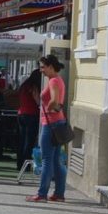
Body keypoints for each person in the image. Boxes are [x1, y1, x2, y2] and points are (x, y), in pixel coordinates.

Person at [27, 55, 68, 202]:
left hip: (50, 124)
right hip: (58, 123)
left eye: (43, 67)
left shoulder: (53, 81)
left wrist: (49, 108)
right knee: (57, 160)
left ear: (51, 67)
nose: (41, 70)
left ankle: (42, 194)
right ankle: (59, 193)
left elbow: (54, 100)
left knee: (46, 160)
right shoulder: (59, 80)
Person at [16, 69, 41, 171]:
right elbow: (37, 100)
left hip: (21, 113)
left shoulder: (24, 85)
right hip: (32, 114)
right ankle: (26, 165)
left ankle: (19, 163)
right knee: (29, 141)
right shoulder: (34, 86)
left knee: (21, 140)